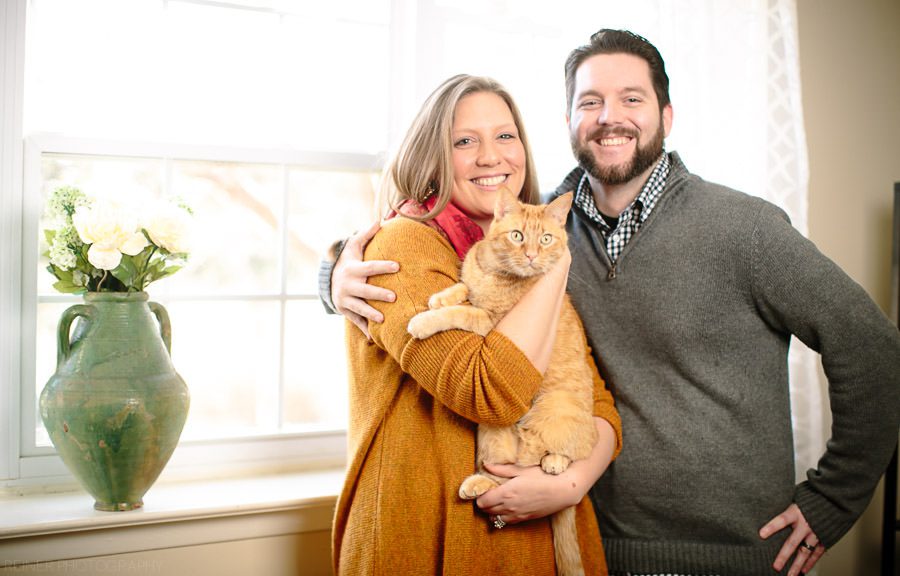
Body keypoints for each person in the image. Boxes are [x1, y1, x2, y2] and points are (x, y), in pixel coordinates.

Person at [321, 30, 900, 576]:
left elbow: (873, 347)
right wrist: (333, 275)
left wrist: (832, 498)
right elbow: (421, 254)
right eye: (590, 101)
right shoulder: (537, 230)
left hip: (729, 554)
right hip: (586, 542)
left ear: (666, 117)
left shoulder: (743, 228)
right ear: (568, 121)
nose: (609, 117)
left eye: (631, 98)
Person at [331, 73, 622, 576]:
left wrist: (570, 484)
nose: (492, 156)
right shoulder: (405, 243)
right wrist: (556, 261)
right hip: (426, 536)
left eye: (505, 136)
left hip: (537, 541)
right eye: (465, 141)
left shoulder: (521, 249)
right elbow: (492, 391)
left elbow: (595, 402)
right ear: (432, 157)